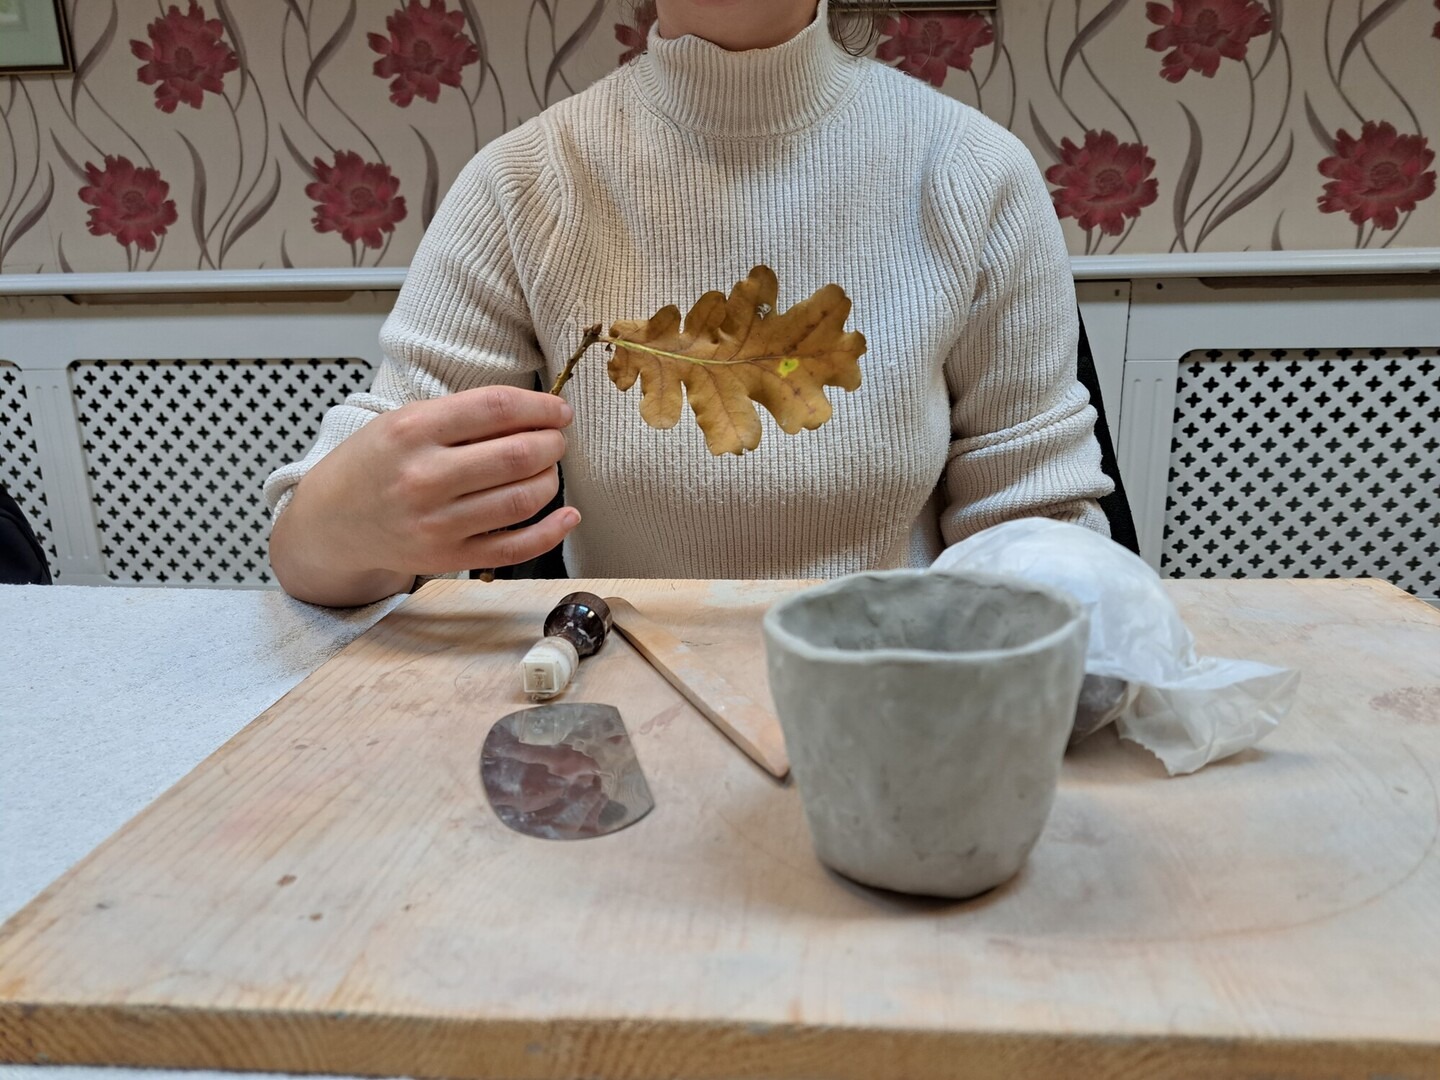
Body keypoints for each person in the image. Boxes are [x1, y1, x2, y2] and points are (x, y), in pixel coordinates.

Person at [265, 0, 1113, 607]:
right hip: (620, 709)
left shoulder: (973, 176)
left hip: (893, 702)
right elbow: (321, 550)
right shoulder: (523, 187)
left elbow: (1041, 530)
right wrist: (341, 527)